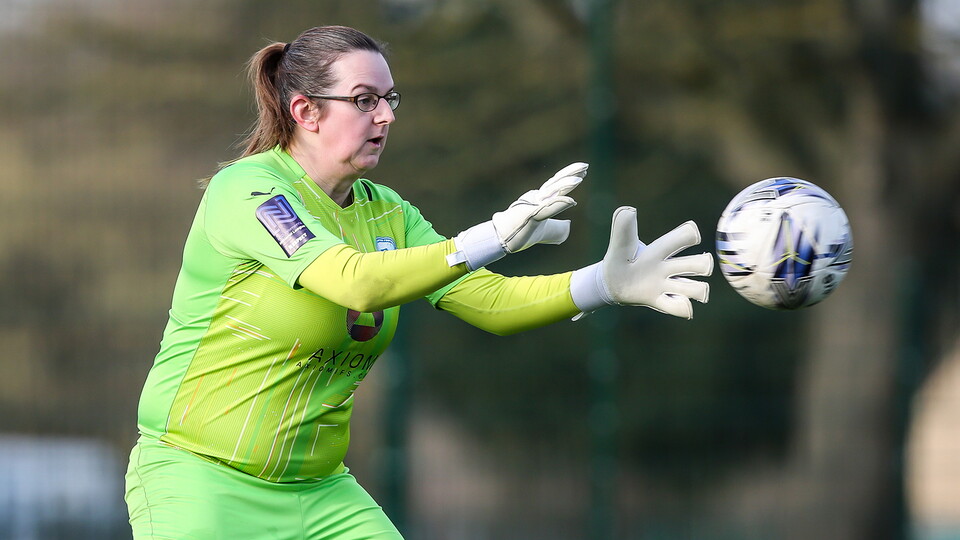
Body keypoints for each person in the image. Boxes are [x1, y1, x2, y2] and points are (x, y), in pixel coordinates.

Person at [124, 25, 713, 540]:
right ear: (306, 112)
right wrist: (493, 236)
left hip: (319, 493)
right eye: (363, 100)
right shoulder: (250, 192)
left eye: (389, 99)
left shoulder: (388, 212)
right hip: (199, 479)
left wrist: (602, 283)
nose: (385, 116)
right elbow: (356, 283)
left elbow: (487, 302)